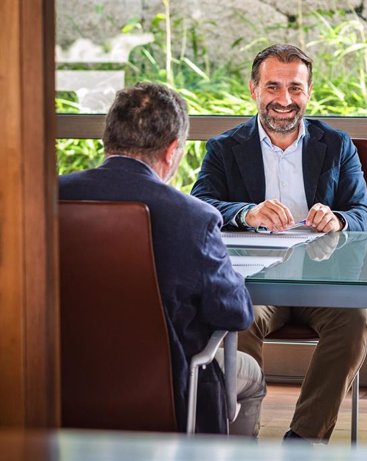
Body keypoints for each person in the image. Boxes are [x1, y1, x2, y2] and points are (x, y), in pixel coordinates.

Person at [191, 44, 367, 443]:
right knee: (235, 320)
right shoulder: (224, 148)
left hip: (324, 280)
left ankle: (305, 441)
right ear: (253, 89)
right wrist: (246, 212)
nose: (284, 100)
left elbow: (365, 213)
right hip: (257, 282)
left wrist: (338, 218)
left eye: (295, 88)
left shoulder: (338, 145)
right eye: (273, 87)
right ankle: (242, 439)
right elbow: (200, 205)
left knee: (358, 318)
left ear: (308, 91)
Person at [59, 82, 266, 436]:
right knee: (252, 377)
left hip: (58, 379)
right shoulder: (192, 218)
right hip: (168, 389)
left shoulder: (48, 197)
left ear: (107, 140)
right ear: (172, 152)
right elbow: (235, 313)